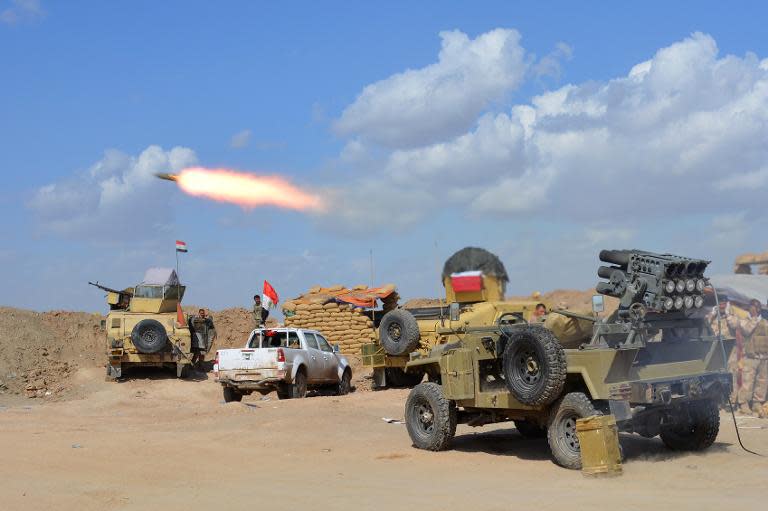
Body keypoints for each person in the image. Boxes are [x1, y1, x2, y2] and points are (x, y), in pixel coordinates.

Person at [730, 299, 768, 416]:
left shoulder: (765, 322)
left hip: (764, 357)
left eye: (756, 307)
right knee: (747, 382)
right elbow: (746, 330)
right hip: (750, 357)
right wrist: (754, 318)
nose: (754, 309)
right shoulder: (745, 321)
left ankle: (757, 403)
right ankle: (743, 404)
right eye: (752, 306)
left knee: (762, 382)